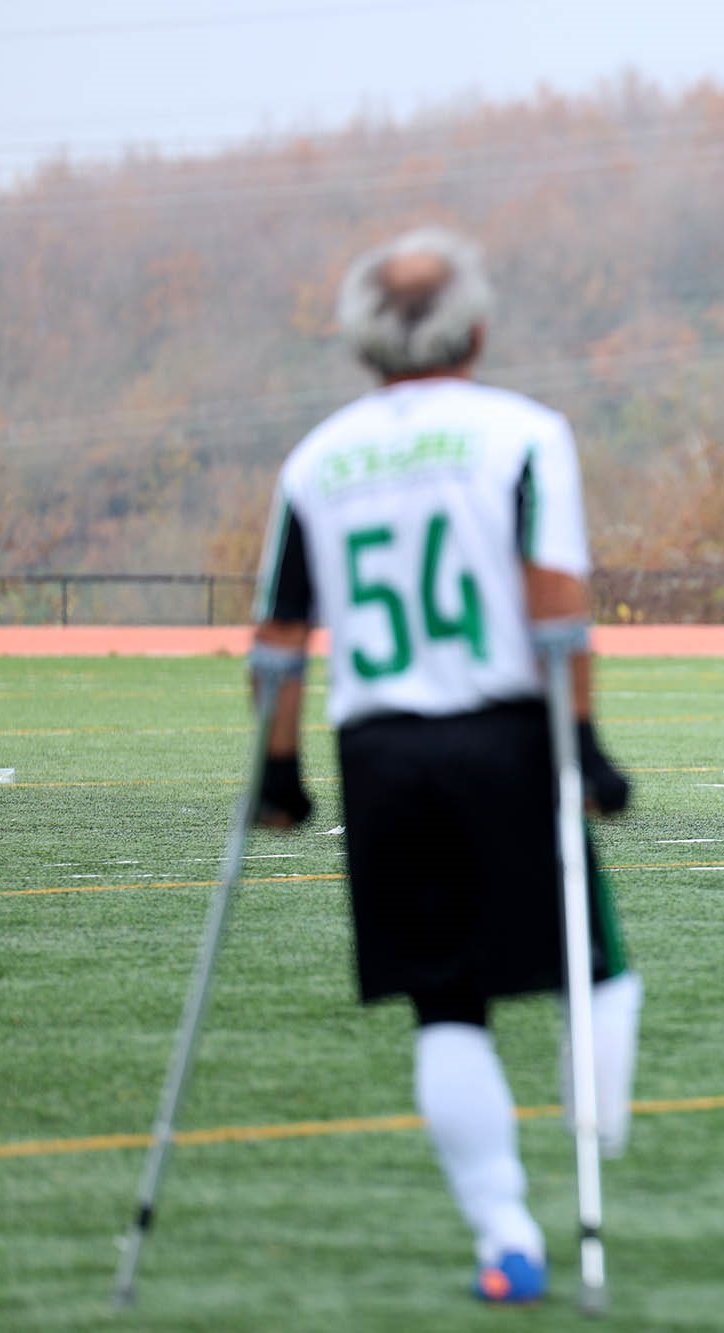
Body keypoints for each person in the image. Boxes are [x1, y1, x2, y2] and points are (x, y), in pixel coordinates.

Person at [247, 226, 641, 1306]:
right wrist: (589, 748)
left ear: (361, 341)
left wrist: (277, 775)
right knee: (594, 967)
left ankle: (503, 1236)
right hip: (504, 731)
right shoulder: (520, 433)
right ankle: (594, 1144)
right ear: (475, 325)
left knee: (445, 1003)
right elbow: (554, 599)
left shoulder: (315, 458)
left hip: (380, 751)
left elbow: (279, 638)